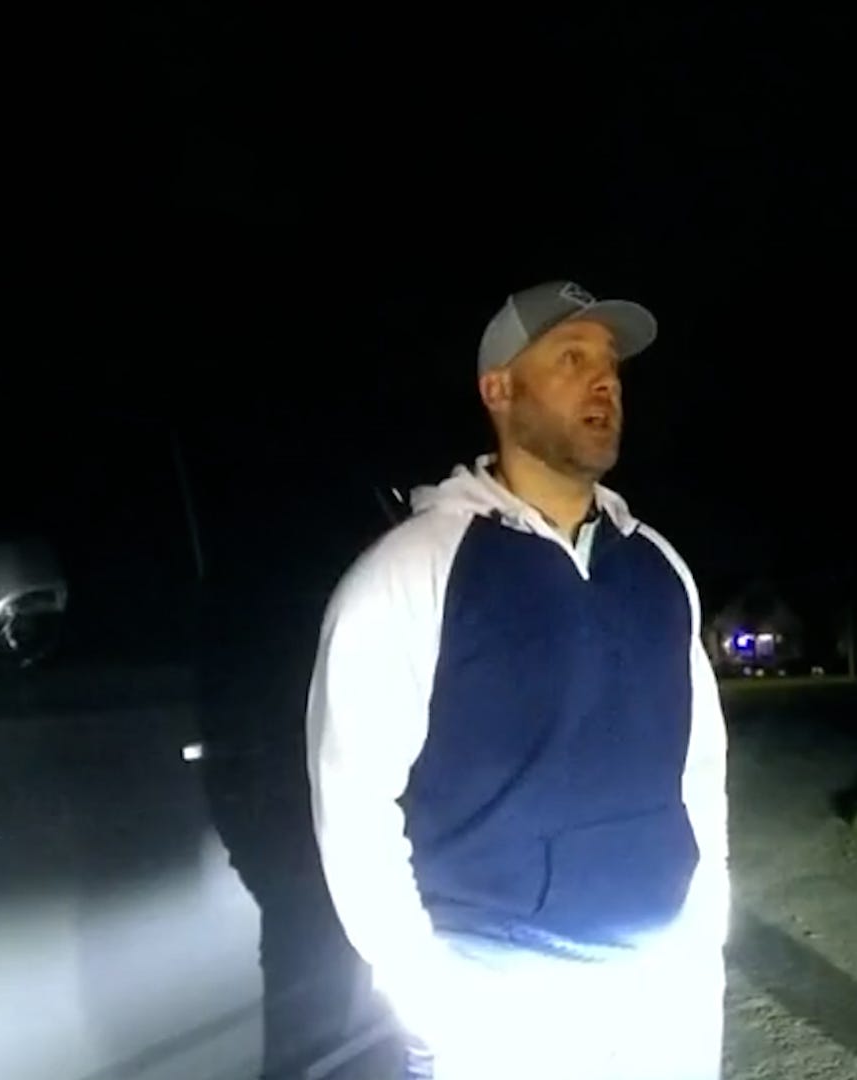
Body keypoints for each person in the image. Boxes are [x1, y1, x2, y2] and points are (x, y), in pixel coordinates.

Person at [305, 280, 730, 1080]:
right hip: (501, 1000)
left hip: (660, 992)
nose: (604, 382)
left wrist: (704, 940)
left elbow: (699, 774)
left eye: (610, 365)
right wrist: (432, 1006)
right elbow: (353, 804)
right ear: (498, 390)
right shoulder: (414, 570)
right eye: (571, 359)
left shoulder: (658, 568)